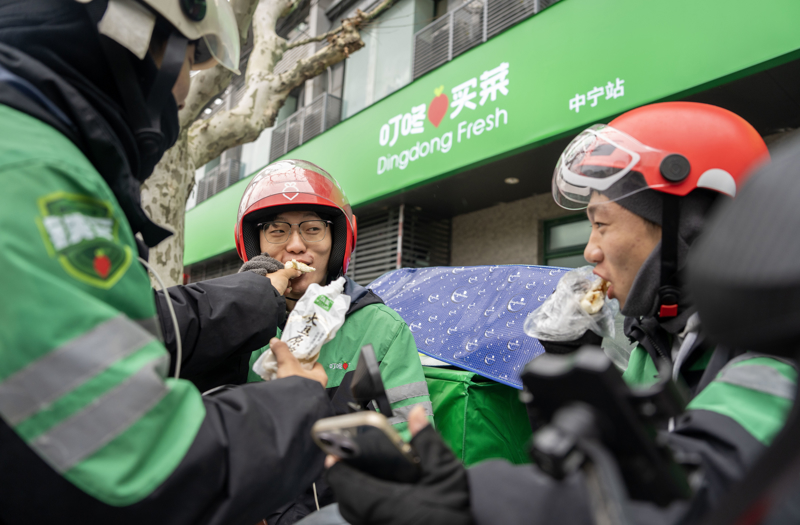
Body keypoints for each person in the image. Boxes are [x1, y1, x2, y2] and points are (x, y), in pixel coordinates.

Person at [319, 102, 797, 525]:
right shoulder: (654, 340)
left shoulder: (779, 346)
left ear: (689, 227)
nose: (589, 251)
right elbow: (612, 464)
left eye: (602, 224)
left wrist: (469, 499)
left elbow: (695, 486)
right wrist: (568, 365)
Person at [0, 1, 336, 523]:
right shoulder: (34, 172)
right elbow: (138, 464)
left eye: (313, 230)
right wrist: (299, 403)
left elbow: (132, 326)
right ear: (131, 31)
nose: (187, 87)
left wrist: (253, 294)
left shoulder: (33, 146)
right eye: (191, 54)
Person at [234, 159, 434, 524]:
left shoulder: (380, 326)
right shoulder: (231, 325)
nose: (295, 246)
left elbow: (411, 446)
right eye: (277, 231)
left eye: (312, 229)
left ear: (337, 240)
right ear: (255, 243)